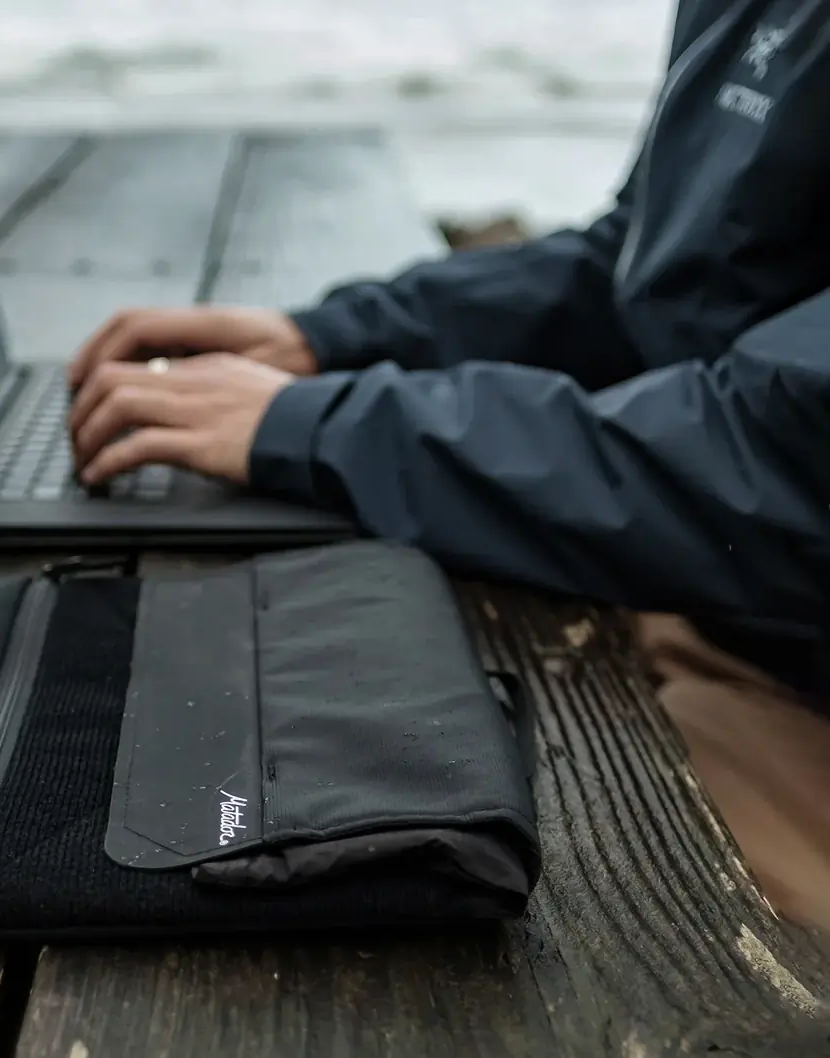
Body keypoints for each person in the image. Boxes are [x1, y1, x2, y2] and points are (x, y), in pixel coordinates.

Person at [66, 0, 830, 931]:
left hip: (787, 672)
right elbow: (639, 265)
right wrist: (328, 339)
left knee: (574, 915)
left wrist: (329, 427)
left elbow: (789, 455)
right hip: (709, 594)